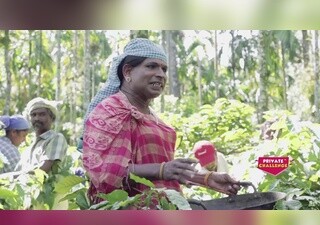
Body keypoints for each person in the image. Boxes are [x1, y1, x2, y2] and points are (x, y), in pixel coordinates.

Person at [82, 38, 240, 205]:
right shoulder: (110, 111)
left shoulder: (156, 120)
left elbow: (166, 173)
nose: (161, 74)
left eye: (164, 69)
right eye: (151, 66)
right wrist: (162, 170)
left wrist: (207, 178)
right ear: (127, 72)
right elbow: (104, 172)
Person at [17, 97, 68, 173]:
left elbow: (42, 170)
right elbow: (18, 170)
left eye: (42, 114)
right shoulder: (29, 148)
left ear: (52, 118)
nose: (37, 118)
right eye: (33, 115)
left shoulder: (56, 138)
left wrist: (10, 176)